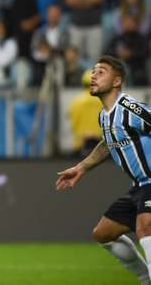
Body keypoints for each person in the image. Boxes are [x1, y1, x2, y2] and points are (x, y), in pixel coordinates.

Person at [56, 56, 151, 285]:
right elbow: (108, 143)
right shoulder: (104, 116)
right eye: (93, 72)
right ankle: (145, 277)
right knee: (103, 233)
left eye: (101, 72)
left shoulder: (129, 107)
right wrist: (81, 168)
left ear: (117, 81)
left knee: (145, 226)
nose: (93, 76)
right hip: (138, 187)